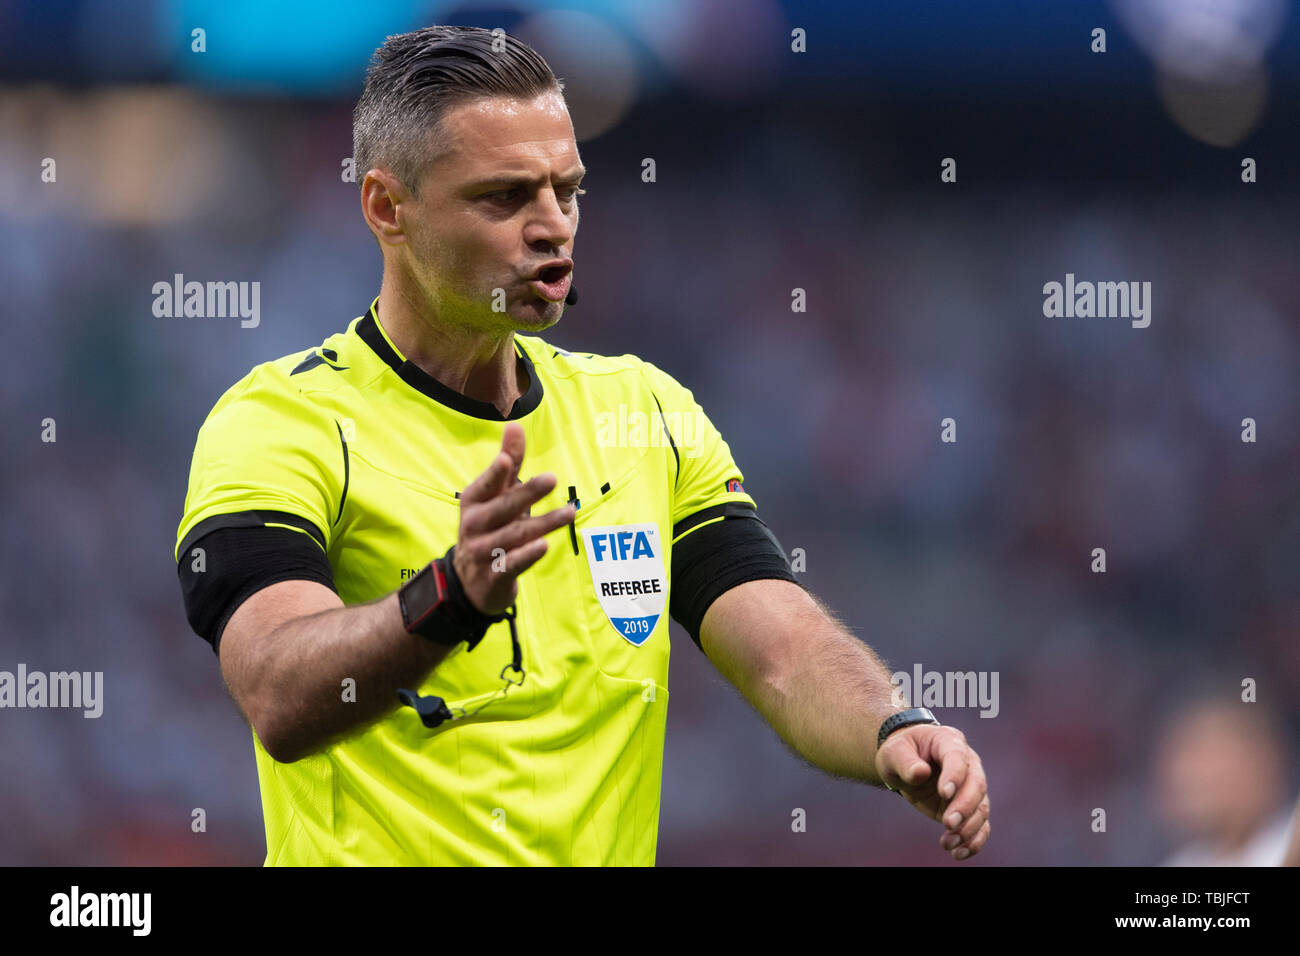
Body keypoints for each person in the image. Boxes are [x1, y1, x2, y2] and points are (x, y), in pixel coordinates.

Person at [173, 24, 989, 865]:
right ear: (387, 207)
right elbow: (275, 691)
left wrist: (891, 724)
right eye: (504, 196)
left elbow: (781, 649)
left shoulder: (643, 412)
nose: (552, 225)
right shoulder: (281, 423)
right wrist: (448, 597)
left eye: (568, 190)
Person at [1154, 698, 1294, 866]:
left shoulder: (1290, 847)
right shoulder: (1185, 861)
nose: (1184, 772)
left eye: (1201, 753)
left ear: (1261, 761)